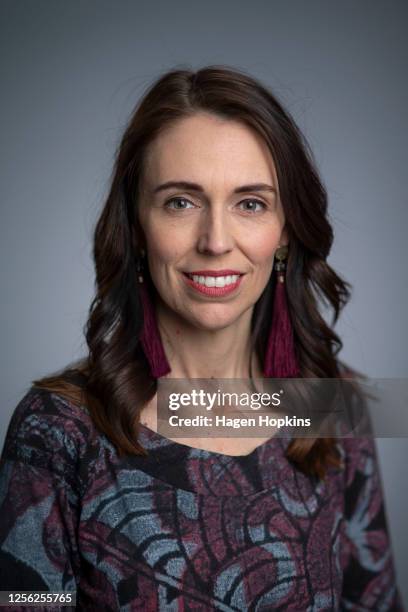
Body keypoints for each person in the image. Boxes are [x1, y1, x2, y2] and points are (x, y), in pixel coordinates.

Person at [0, 65, 404, 611]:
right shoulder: (57, 429)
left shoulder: (334, 406)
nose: (216, 241)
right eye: (181, 202)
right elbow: (22, 600)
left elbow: (373, 602)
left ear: (284, 232)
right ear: (137, 228)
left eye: (251, 203)